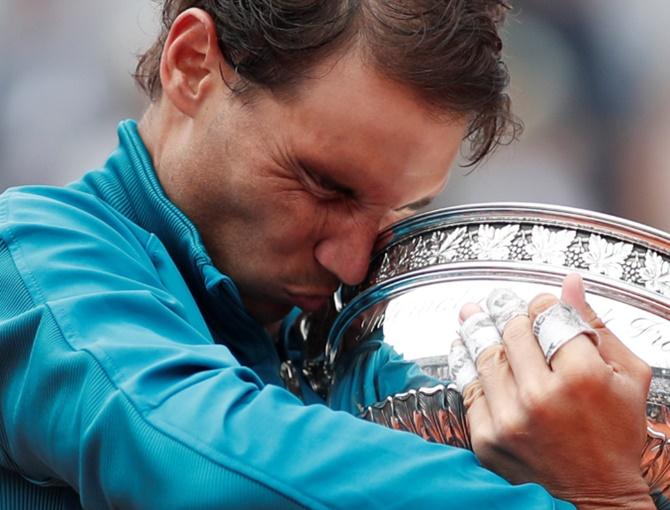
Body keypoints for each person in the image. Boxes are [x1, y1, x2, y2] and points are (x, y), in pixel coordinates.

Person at [0, 1, 654, 509]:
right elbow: (202, 469)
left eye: (401, 211)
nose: (350, 261)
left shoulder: (350, 341)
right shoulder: (31, 254)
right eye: (325, 185)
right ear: (193, 64)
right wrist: (599, 495)